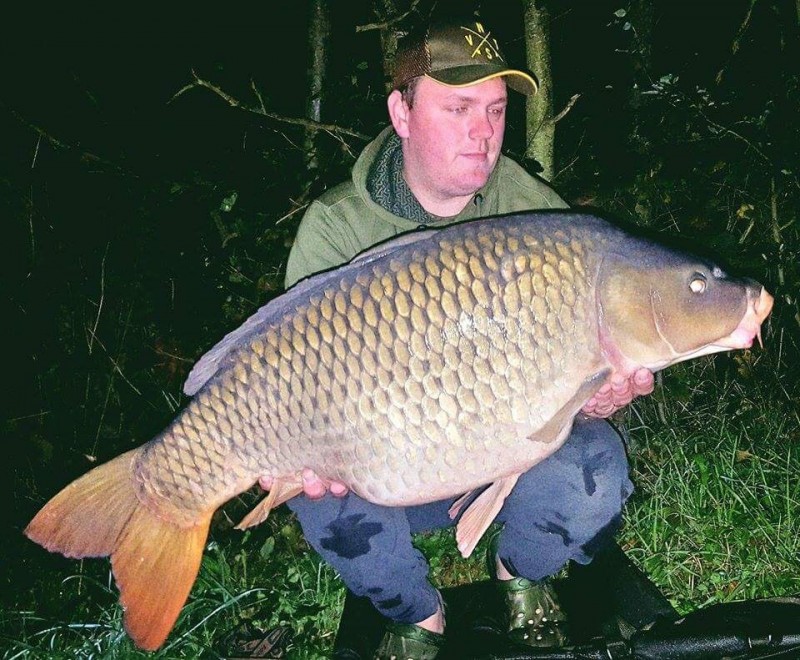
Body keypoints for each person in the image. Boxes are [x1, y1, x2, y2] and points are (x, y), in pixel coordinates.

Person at [274, 14, 654, 659]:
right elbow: (290, 377)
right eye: (458, 108)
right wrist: (307, 450)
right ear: (402, 112)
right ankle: (417, 615)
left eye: (497, 109)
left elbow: (586, 367)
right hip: (390, 473)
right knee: (322, 506)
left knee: (596, 464)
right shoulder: (334, 230)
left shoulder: (537, 216)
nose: (483, 134)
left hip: (507, 461)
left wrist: (596, 393)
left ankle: (520, 579)